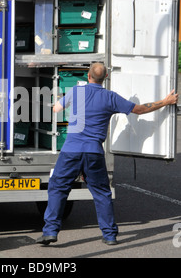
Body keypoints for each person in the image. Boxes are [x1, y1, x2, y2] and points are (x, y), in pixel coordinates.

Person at [36, 62, 178, 246]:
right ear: (105, 78)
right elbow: (140, 109)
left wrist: (63, 100)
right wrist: (166, 101)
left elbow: (56, 109)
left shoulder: (76, 92)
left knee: (57, 188)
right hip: (93, 152)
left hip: (71, 150)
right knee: (102, 193)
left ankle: (50, 231)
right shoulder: (110, 97)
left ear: (88, 76)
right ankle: (109, 235)